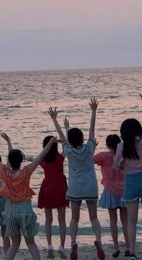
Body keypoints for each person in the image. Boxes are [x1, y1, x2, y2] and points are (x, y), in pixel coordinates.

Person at [0, 124, 56, 260]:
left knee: (14, 245)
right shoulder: (26, 171)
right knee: (31, 243)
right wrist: (50, 142)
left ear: (9, 160)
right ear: (21, 161)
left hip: (10, 211)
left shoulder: (4, 171)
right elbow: (41, 155)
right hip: (24, 210)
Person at [50, 101, 105, 260]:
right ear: (81, 138)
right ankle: (99, 240)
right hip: (90, 187)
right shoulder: (89, 148)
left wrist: (55, 119)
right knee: (93, 217)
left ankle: (73, 242)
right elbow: (92, 129)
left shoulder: (67, 150)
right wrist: (93, 110)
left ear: (70, 140)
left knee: (74, 218)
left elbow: (61, 137)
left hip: (75, 188)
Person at [113, 88, 142, 260]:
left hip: (130, 182)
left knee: (131, 221)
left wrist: (125, 167)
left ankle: (133, 253)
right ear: (137, 130)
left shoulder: (122, 147)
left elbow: (116, 165)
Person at [93, 135, 129, 259]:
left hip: (110, 191)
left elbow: (89, 159)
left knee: (113, 221)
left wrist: (92, 148)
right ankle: (128, 247)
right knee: (125, 221)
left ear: (108, 145)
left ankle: (116, 247)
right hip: (124, 191)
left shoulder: (104, 156)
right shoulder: (125, 156)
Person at [36, 130, 68, 259]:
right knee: (62, 220)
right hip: (60, 187)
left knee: (48, 219)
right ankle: (61, 246)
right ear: (55, 146)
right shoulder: (60, 158)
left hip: (47, 187)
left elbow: (31, 158)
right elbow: (67, 145)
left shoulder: (42, 160)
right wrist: (64, 134)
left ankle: (49, 245)